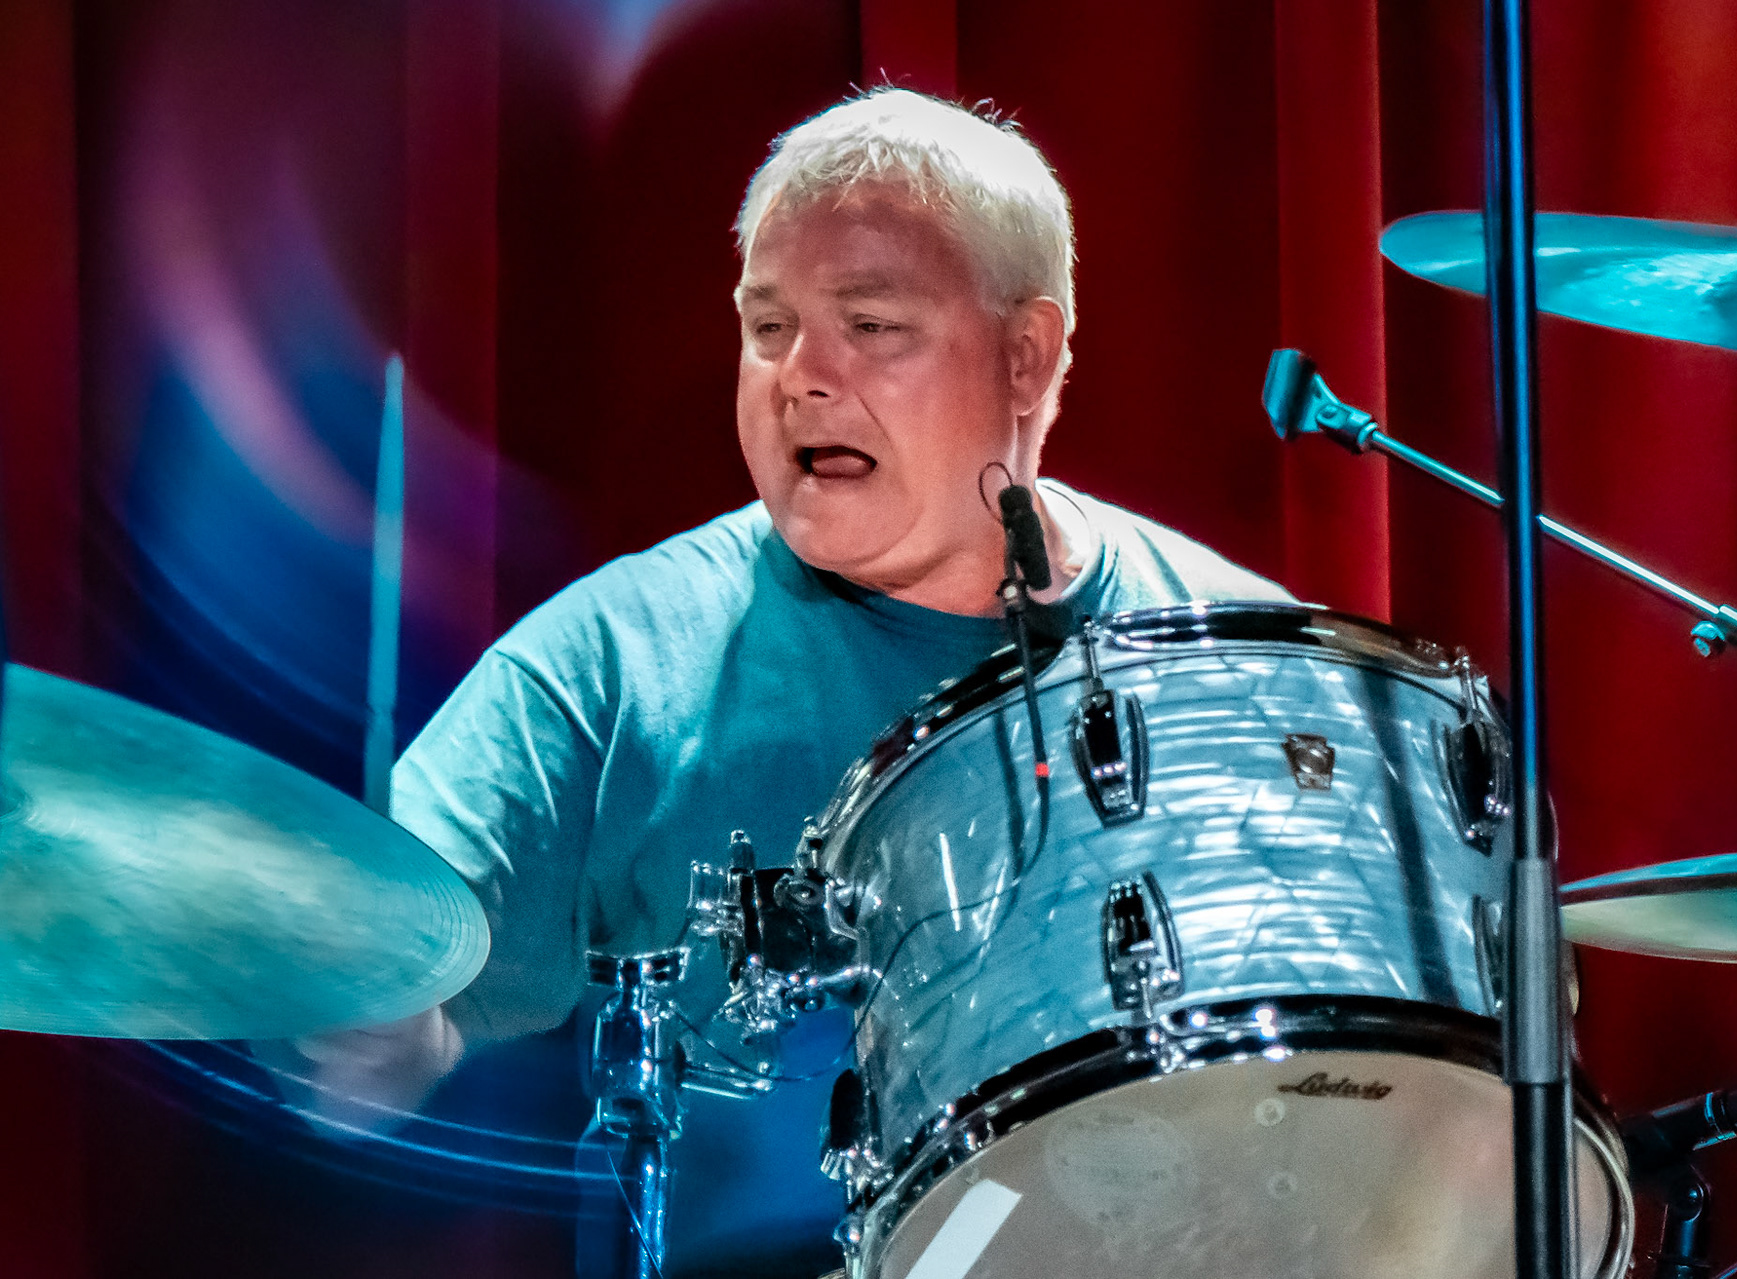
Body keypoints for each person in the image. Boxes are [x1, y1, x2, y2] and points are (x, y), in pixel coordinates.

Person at [274, 87, 1291, 1275]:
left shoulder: (1252, 664)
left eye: (871, 324)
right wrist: (360, 1022)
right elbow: (378, 999)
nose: (800, 376)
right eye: (769, 326)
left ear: (1027, 355)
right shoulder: (613, 661)